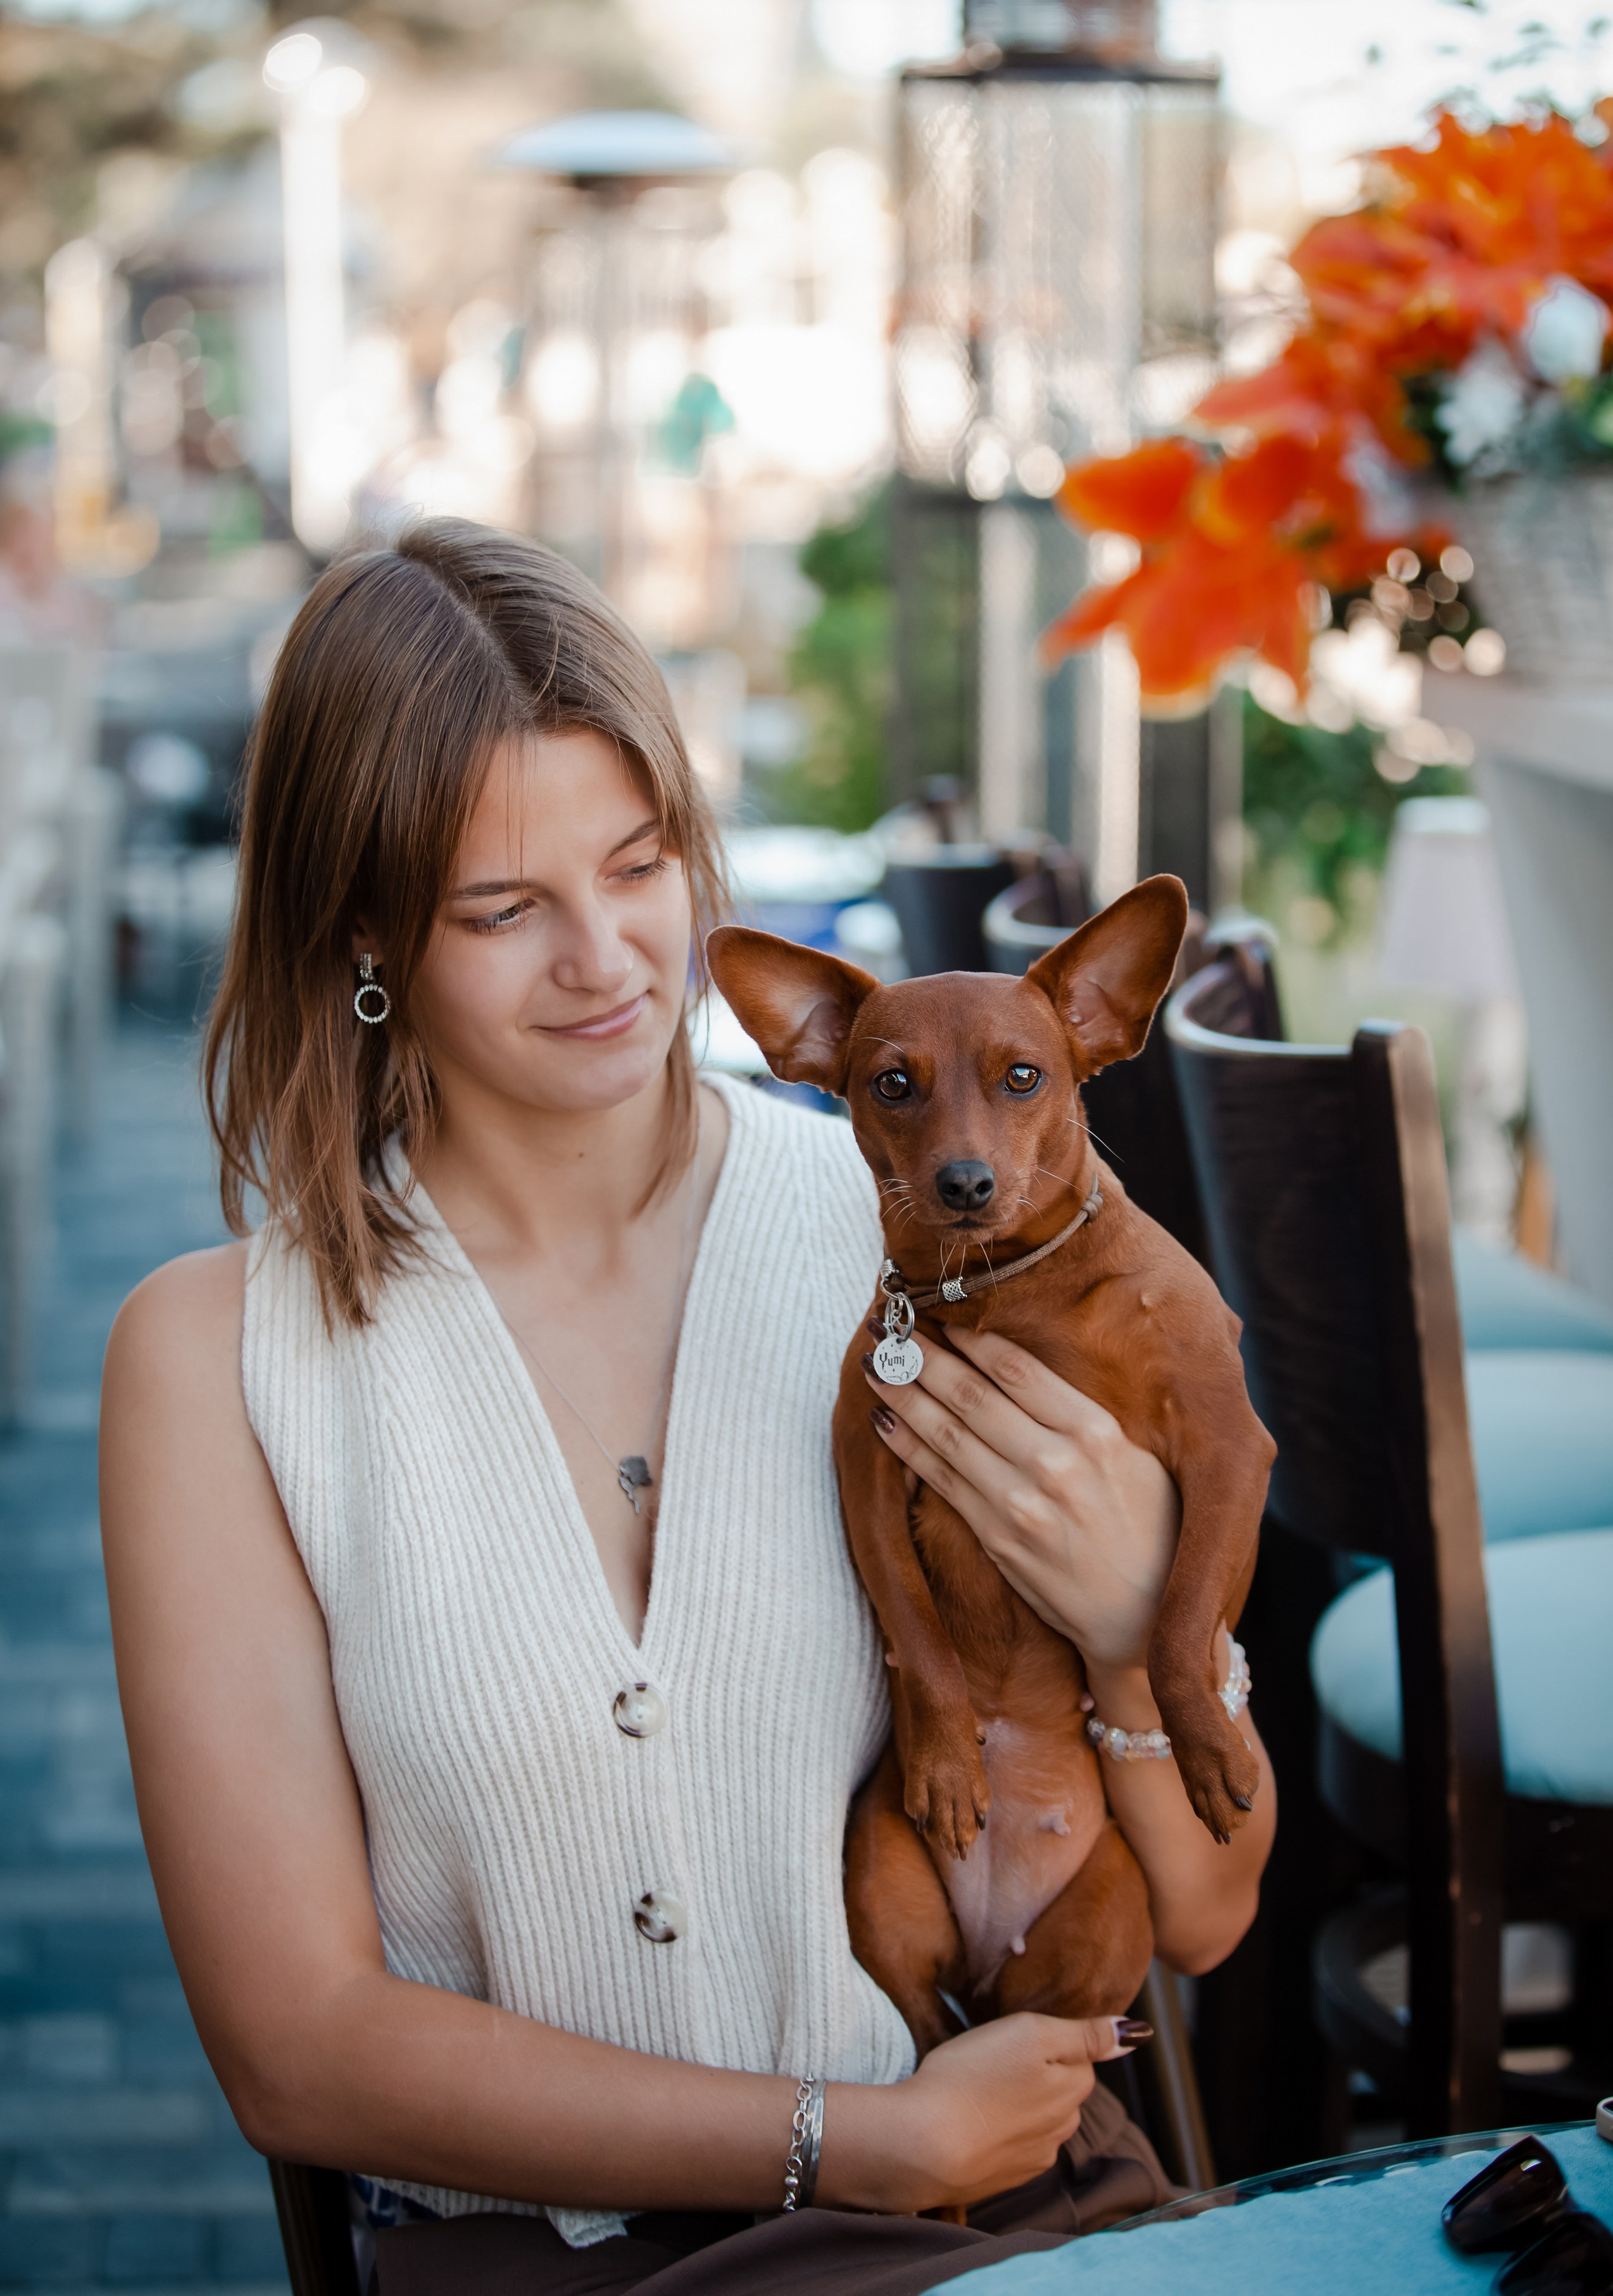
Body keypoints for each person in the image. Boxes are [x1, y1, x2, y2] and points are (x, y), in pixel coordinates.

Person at [99, 520, 1275, 2296]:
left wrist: (1129, 1632)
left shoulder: (946, 1246)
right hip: (557, 2261)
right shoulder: (215, 1359)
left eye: (641, 868)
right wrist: (845, 2136)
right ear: (361, 935)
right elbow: (298, 2046)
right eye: (506, 909)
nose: (608, 963)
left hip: (1012, 2221)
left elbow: (1206, 1910)